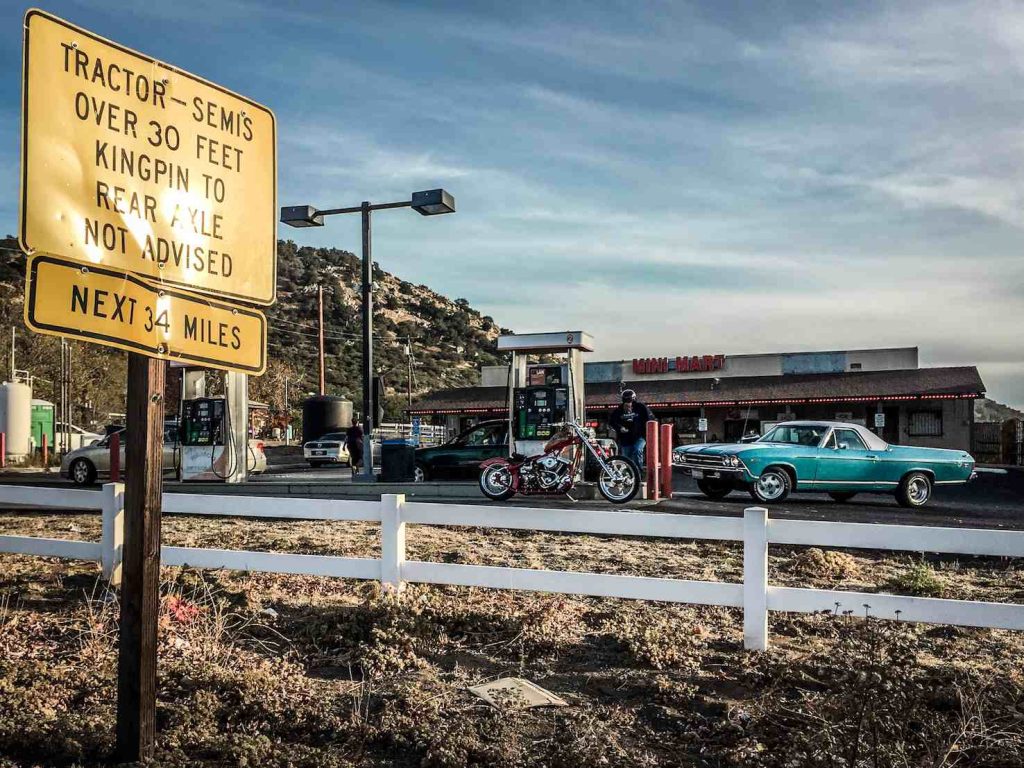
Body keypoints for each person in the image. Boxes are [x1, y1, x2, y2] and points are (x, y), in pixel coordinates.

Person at [608, 389, 654, 467]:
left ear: (634, 399)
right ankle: (629, 474)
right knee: (626, 458)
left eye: (630, 400)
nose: (628, 403)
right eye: (626, 401)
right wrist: (620, 428)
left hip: (639, 436)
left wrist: (646, 433)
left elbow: (650, 419)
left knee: (637, 450)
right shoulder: (619, 410)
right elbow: (612, 422)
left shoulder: (641, 407)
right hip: (625, 438)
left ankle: (638, 471)